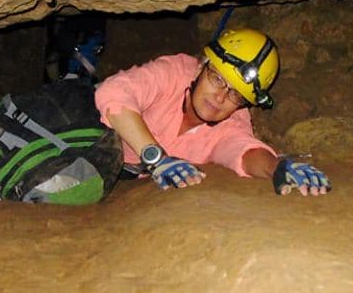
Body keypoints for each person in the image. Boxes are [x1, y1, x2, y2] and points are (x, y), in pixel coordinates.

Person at [94, 27, 331, 196]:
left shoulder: (231, 124)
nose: (220, 98)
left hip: (120, 176)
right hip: (86, 134)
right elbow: (112, 93)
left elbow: (244, 150)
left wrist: (277, 167)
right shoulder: (173, 73)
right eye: (217, 78)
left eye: (236, 94)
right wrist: (157, 159)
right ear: (200, 68)